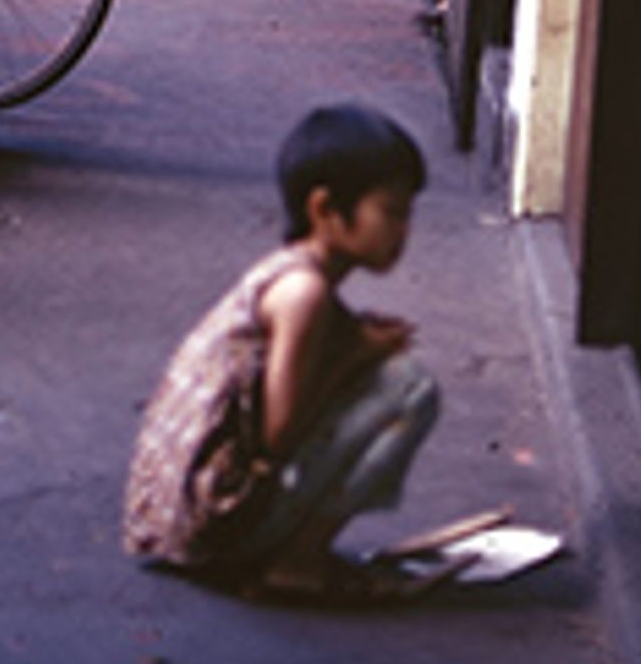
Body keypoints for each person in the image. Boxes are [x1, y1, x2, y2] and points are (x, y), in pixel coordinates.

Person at [123, 104, 440, 602]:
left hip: (184, 513)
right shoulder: (302, 293)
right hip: (214, 521)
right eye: (392, 213)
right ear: (325, 210)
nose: (404, 233)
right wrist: (357, 354)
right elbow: (280, 432)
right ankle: (299, 563)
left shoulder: (290, 273)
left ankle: (291, 549)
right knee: (410, 385)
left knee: (385, 374)